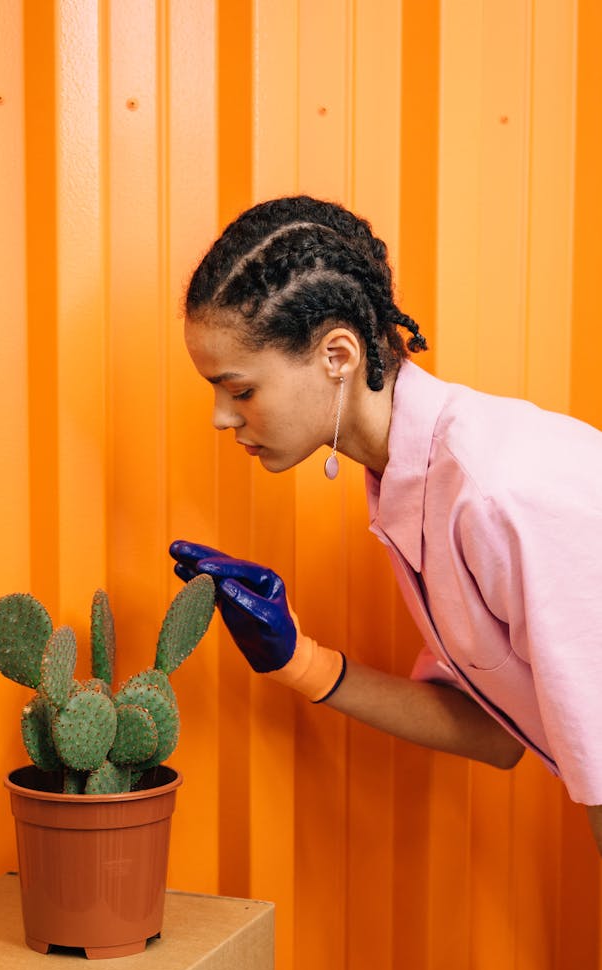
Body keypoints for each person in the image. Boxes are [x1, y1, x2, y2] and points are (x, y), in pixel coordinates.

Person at [169, 194, 602, 854]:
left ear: (336, 354)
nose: (221, 418)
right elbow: (495, 730)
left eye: (241, 389)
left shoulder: (489, 492)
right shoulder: (417, 484)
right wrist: (296, 660)